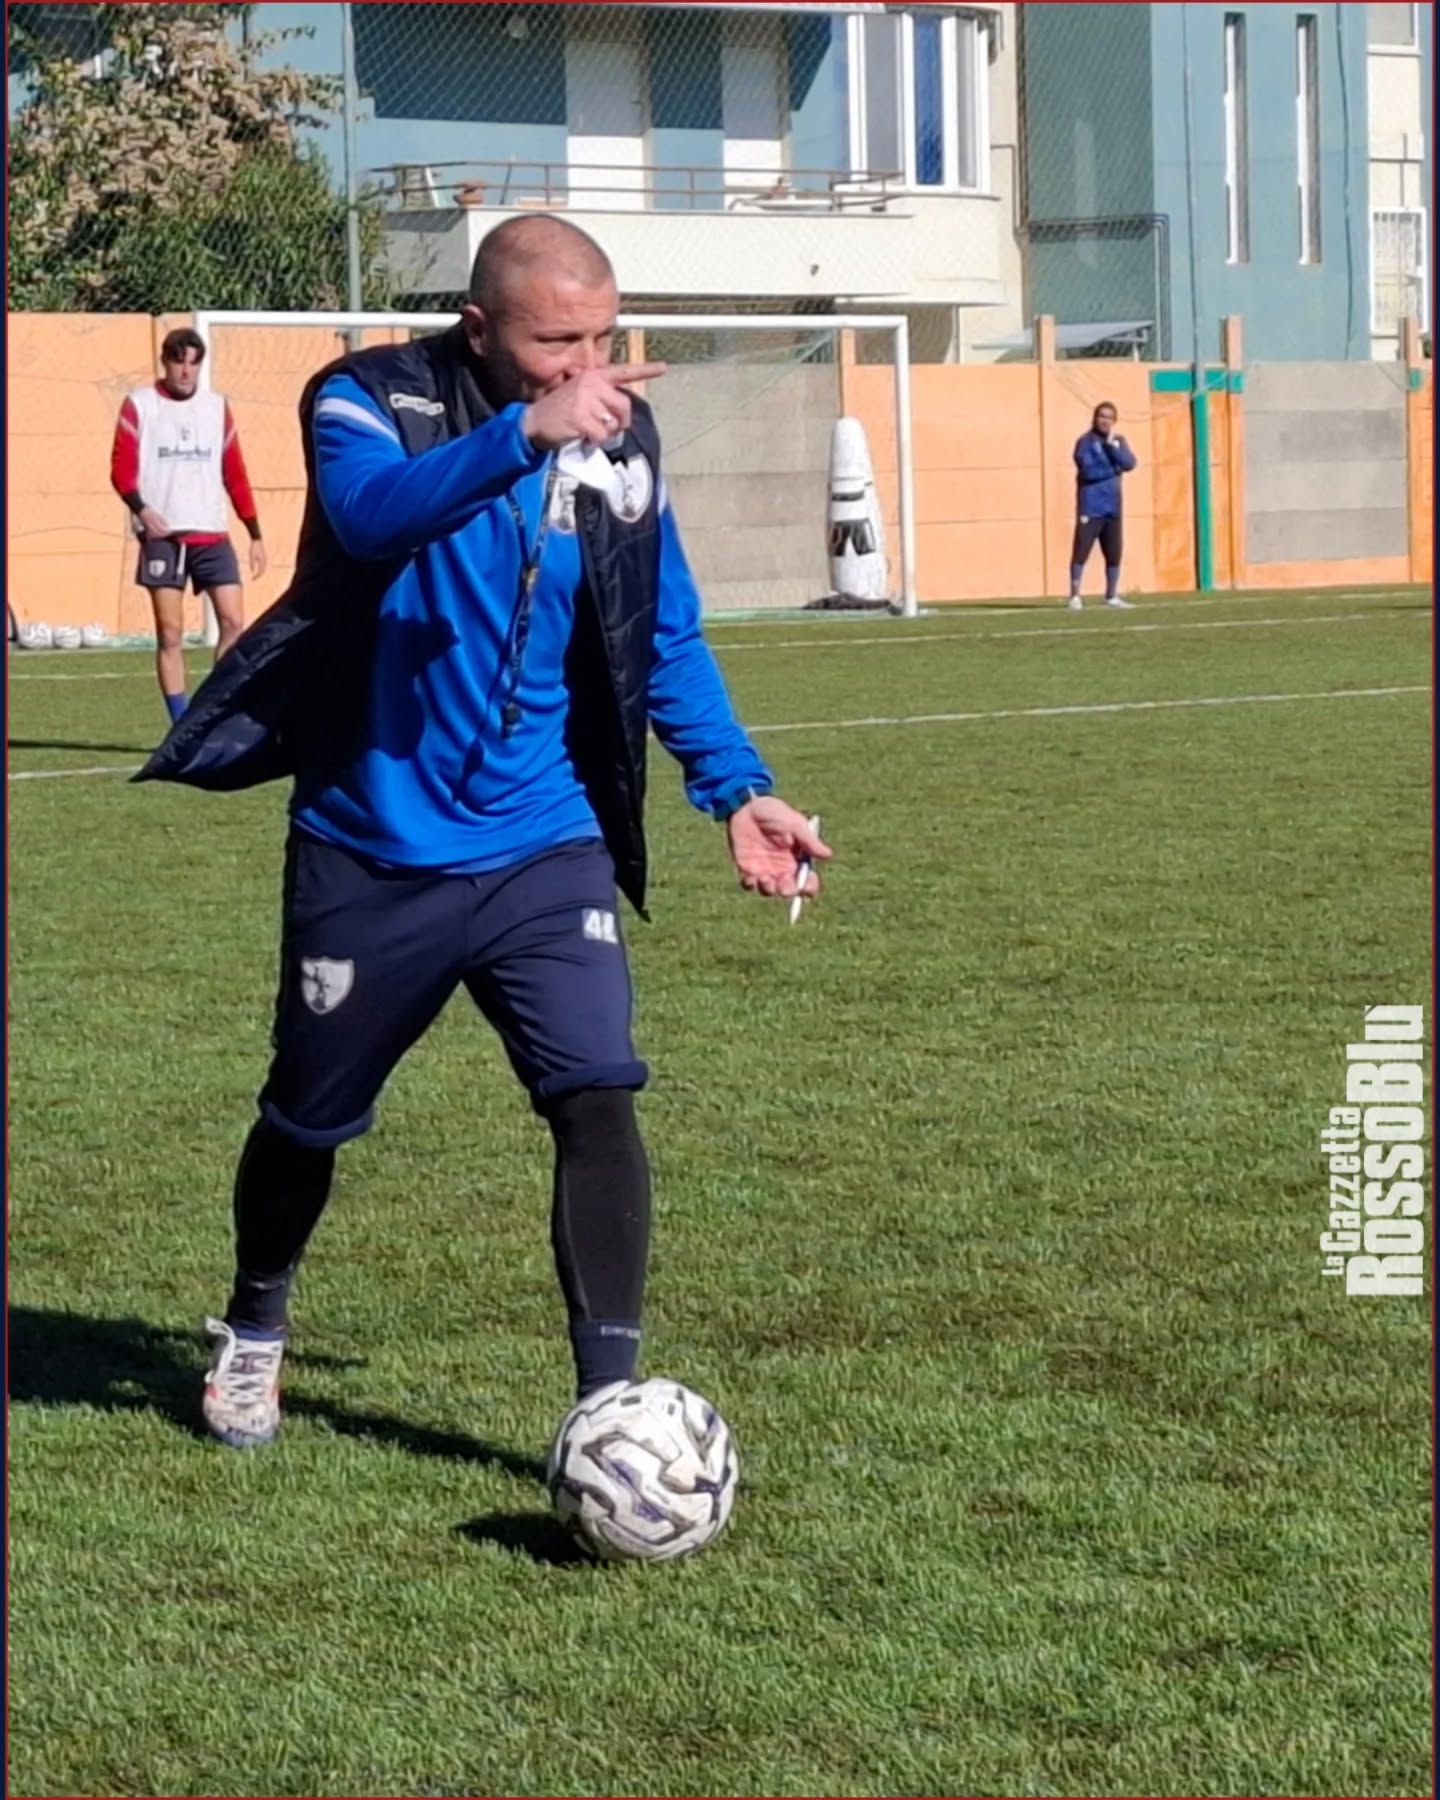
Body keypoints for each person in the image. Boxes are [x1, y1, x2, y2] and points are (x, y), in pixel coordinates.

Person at [134, 216, 831, 1450]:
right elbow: (364, 519)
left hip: (540, 844)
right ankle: (254, 1327)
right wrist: (524, 438)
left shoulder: (622, 434)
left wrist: (738, 788)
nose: (588, 364)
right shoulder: (368, 397)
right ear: (478, 327)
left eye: (603, 338)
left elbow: (658, 628)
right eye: (556, 340)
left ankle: (609, 1402)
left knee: (598, 1096)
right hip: (371, 848)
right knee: (306, 1118)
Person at [110, 327, 267, 723]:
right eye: (179, 361)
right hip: (165, 536)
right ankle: (180, 722)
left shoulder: (216, 408)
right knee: (171, 633)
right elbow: (121, 470)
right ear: (165, 362)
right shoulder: (140, 405)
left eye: (193, 363)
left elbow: (235, 472)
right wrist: (142, 510)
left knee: (233, 622)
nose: (186, 371)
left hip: (212, 533)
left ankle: (212, 712)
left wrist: (254, 532)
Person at [1067, 401, 1136, 611]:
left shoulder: (1117, 441)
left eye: (1109, 417)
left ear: (1114, 421)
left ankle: (1112, 595)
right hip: (1091, 506)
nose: (1104, 420)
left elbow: (1130, 463)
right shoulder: (1084, 442)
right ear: (1094, 418)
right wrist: (1113, 469)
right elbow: (1088, 471)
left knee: (1114, 552)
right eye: (1101, 416)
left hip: (1113, 507)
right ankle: (1075, 595)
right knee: (1081, 550)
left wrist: (1111, 451)